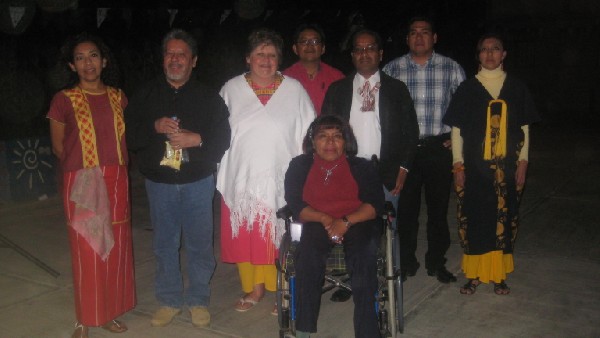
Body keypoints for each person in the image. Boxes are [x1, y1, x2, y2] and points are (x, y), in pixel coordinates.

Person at [125, 29, 231, 328]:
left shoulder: (208, 97)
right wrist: (154, 126)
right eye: (170, 54)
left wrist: (198, 139)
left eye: (181, 54)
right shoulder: (145, 95)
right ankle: (169, 299)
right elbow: (131, 138)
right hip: (159, 184)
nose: (175, 59)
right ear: (163, 59)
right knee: (164, 244)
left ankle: (198, 299)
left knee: (199, 243)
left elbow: (223, 137)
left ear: (193, 61)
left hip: (198, 182)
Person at [217, 28, 315, 314]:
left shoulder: (294, 89)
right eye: (260, 53)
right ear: (248, 58)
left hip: (280, 177)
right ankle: (254, 289)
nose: (266, 60)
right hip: (242, 176)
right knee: (248, 234)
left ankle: (280, 290)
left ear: (279, 59)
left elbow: (309, 132)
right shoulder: (231, 89)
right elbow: (217, 131)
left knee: (279, 234)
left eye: (272, 55)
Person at [48, 33, 135, 338]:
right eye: (81, 58)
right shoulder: (64, 100)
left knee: (115, 247)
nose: (88, 63)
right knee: (87, 250)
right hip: (83, 180)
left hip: (117, 178)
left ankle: (108, 312)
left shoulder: (118, 96)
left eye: (94, 55)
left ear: (104, 61)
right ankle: (84, 318)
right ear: (72, 65)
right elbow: (59, 147)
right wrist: (88, 172)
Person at [443, 33, 540, 295]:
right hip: (475, 169)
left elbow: (524, 128)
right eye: (484, 49)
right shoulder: (468, 89)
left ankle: (498, 275)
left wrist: (523, 162)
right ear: (479, 55)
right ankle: (474, 274)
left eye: (495, 49)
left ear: (503, 54)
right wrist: (458, 165)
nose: (489, 54)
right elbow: (457, 130)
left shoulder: (516, 88)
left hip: (507, 169)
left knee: (504, 220)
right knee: (475, 220)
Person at [284, 114, 385, 338]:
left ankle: (368, 332)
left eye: (337, 137)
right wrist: (325, 219)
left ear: (346, 141)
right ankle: (303, 329)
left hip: (356, 221)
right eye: (323, 137)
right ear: (313, 142)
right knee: (308, 255)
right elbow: (295, 203)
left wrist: (345, 222)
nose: (330, 143)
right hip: (316, 220)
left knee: (364, 257)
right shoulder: (300, 165)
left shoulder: (362, 166)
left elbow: (375, 204)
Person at [382, 16, 466, 283]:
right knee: (405, 210)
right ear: (407, 39)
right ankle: (406, 262)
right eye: (413, 33)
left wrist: (457, 137)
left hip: (437, 148)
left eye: (425, 32)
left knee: (438, 210)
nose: (419, 37)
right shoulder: (392, 70)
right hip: (405, 151)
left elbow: (466, 108)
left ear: (434, 37)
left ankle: (436, 262)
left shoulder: (451, 68)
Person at [283, 23, 345, 116]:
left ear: (323, 48)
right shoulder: (284, 78)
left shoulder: (337, 77)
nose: (309, 46)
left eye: (315, 41)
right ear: (295, 49)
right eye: (304, 41)